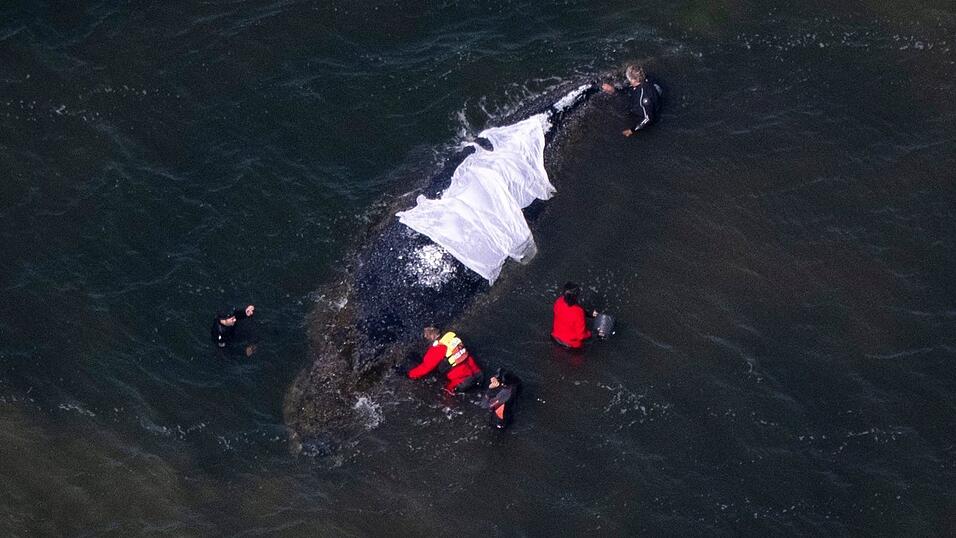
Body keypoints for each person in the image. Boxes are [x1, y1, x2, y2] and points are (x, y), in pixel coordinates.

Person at [407, 326, 483, 393]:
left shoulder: (437, 349)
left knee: (446, 392)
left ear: (430, 337)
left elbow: (425, 368)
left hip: (463, 380)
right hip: (477, 373)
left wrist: (409, 375)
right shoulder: (452, 337)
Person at [600, 64, 662, 137]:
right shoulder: (647, 80)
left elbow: (648, 118)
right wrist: (614, 90)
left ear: (633, 80)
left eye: (629, 79)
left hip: (646, 112)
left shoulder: (643, 98)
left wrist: (632, 130)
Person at [551, 282, 597, 349]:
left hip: (555, 338)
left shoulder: (558, 301)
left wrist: (587, 313)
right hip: (571, 345)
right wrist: (593, 333)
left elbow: (567, 312)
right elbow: (581, 336)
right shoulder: (579, 312)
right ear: (576, 296)